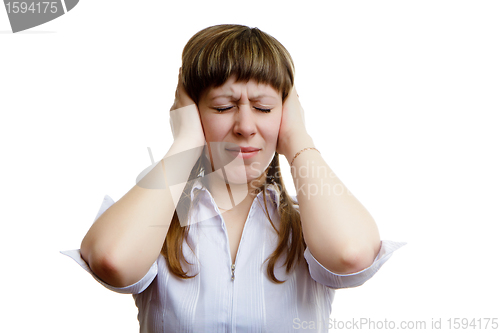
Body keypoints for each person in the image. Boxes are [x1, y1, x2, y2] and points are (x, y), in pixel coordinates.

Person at [62, 24, 405, 332]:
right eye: (223, 107)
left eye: (264, 108)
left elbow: (352, 253)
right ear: (192, 113)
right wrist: (184, 144)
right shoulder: (156, 220)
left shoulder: (314, 224)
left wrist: (298, 138)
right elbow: (113, 260)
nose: (244, 127)